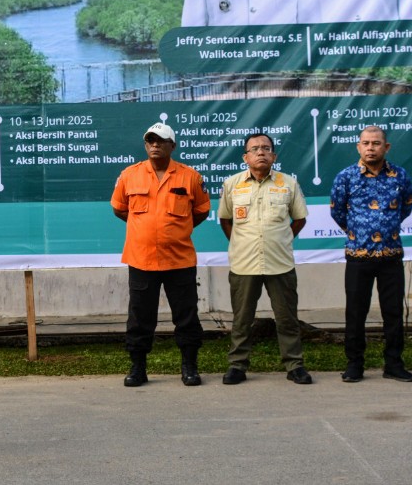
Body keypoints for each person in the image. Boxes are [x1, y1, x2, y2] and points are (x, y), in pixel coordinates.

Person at [111, 122, 211, 387]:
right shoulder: (129, 175)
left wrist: (175, 230)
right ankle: (138, 368)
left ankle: (189, 367)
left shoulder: (190, 177)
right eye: (150, 140)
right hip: (141, 259)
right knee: (140, 317)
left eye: (161, 140)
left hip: (179, 260)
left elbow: (201, 211)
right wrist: (145, 228)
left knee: (187, 316)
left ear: (172, 146)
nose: (155, 145)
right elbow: (119, 208)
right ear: (146, 145)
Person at [218, 132, 311, 385]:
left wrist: (282, 239)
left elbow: (299, 219)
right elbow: (225, 220)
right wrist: (239, 243)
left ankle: (294, 365)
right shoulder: (232, 184)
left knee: (287, 318)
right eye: (255, 149)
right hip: (244, 264)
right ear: (245, 157)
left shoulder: (288, 184)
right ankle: (237, 365)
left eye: (266, 148)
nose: (261, 152)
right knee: (242, 319)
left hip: (280, 263)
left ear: (274, 156)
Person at [329, 125, 412, 383]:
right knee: (356, 314)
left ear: (386, 147)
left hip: (391, 255)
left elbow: (405, 208)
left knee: (393, 313)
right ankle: (354, 364)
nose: (370, 148)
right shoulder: (346, 177)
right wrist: (358, 232)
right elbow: (337, 212)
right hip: (359, 256)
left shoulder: (400, 175)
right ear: (358, 147)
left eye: (376, 143)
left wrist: (385, 228)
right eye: (365, 143)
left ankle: (394, 364)